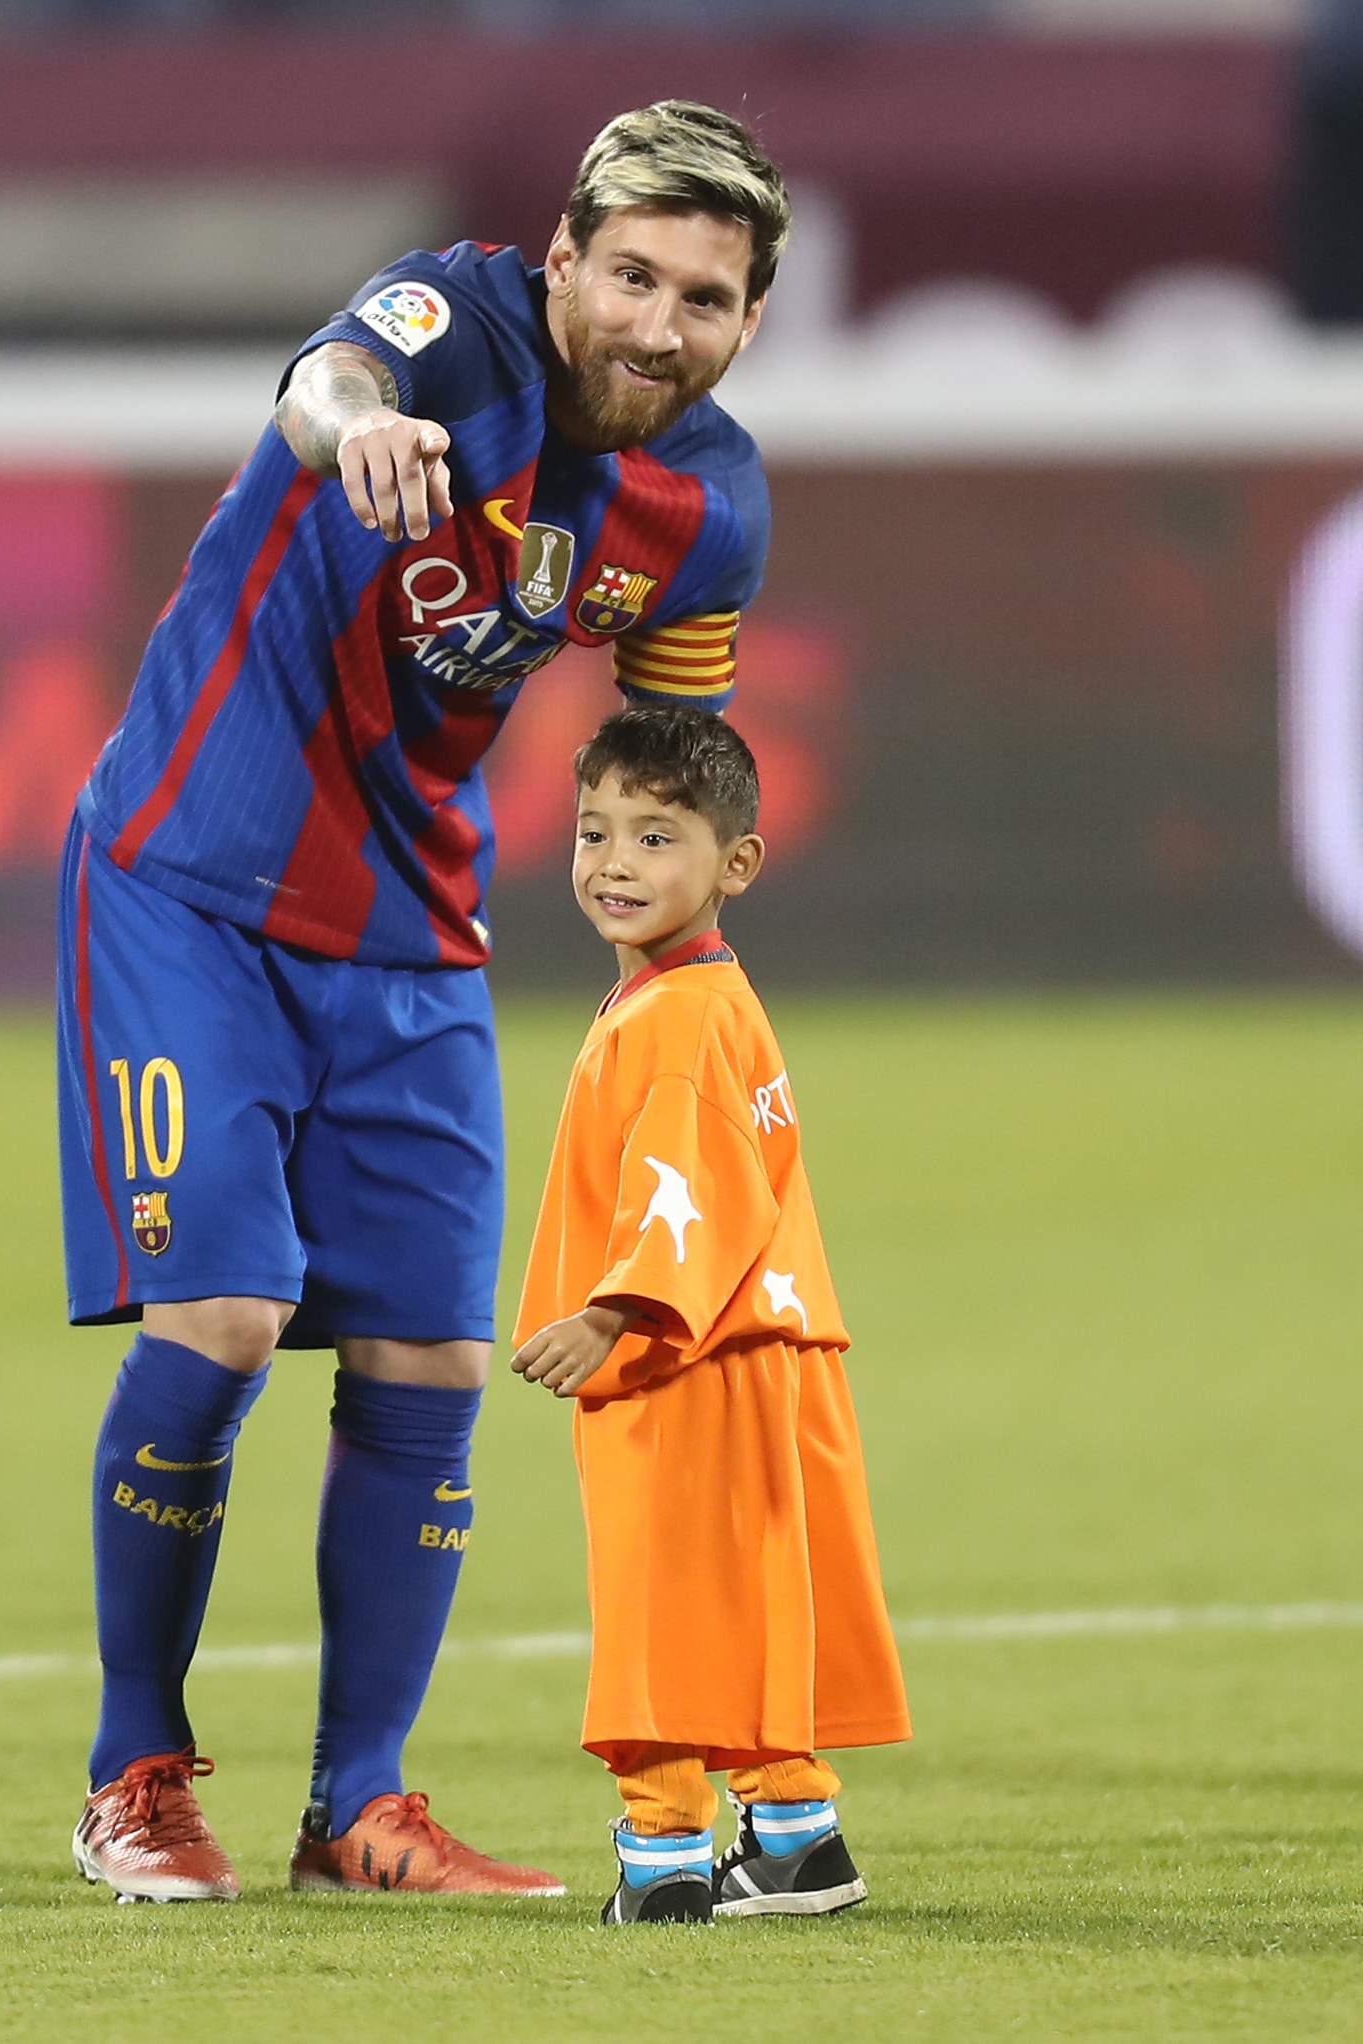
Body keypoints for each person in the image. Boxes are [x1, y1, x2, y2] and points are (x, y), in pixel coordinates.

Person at [59, 101, 790, 1902]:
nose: (655, 320)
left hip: (414, 924)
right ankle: (131, 1776)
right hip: (190, 876)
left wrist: (684, 996)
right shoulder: (442, 331)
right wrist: (360, 429)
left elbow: (666, 759)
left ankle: (358, 1808)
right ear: (563, 258)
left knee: (435, 1355)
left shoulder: (714, 506)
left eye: (705, 295)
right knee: (224, 1306)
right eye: (630, 273)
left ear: (749, 321)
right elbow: (322, 379)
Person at [512, 706, 910, 1925]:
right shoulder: (700, 995)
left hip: (685, 1357)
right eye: (594, 832)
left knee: (665, 1603)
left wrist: (613, 1314)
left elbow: (686, 1188)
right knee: (751, 1599)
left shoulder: (676, 1018)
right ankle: (794, 1837)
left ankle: (667, 1856)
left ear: (735, 864)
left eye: (655, 836)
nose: (615, 863)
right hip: (764, 1350)